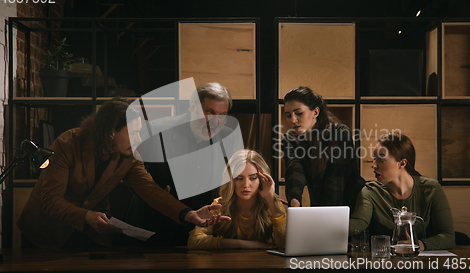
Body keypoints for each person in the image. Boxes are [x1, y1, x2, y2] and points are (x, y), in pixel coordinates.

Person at [17, 97, 229, 249]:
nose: (139, 139)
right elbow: (49, 200)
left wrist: (189, 214)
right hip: (44, 234)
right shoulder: (68, 144)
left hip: (88, 235)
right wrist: (86, 215)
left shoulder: (129, 154)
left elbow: (150, 190)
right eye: (134, 133)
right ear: (111, 132)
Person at [125, 82, 239, 245]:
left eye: (222, 115)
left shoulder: (228, 136)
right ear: (193, 107)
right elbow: (132, 176)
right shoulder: (157, 130)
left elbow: (229, 179)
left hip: (198, 232)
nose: (215, 121)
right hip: (153, 227)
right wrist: (155, 187)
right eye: (209, 112)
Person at [349, 132, 455, 251]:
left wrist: (419, 244)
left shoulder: (431, 189)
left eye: (381, 159)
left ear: (402, 163)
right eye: (374, 158)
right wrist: (328, 225)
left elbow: (448, 236)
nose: (374, 165)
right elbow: (359, 223)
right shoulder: (370, 192)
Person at [281, 86, 365, 210]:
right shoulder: (289, 139)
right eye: (288, 115)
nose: (293, 120)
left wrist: (326, 216)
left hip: (353, 205)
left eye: (299, 113)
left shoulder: (340, 133)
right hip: (322, 206)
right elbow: (294, 169)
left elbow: (335, 179)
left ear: (315, 112)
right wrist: (294, 202)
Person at [188, 149, 286, 249]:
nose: (246, 185)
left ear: (262, 179)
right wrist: (242, 244)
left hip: (266, 264)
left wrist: (271, 200)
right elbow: (194, 241)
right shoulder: (220, 205)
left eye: (252, 178)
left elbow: (285, 245)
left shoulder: (272, 203)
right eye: (239, 178)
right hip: (225, 263)